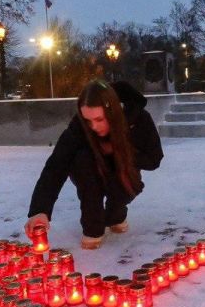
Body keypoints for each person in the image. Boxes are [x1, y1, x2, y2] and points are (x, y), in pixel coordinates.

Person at [25, 79, 163, 250]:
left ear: (112, 111)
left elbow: (154, 159)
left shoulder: (139, 119)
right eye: (88, 120)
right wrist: (40, 210)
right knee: (81, 160)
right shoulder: (80, 126)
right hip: (91, 172)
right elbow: (56, 166)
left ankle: (116, 213)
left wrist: (120, 151)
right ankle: (93, 226)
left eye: (99, 119)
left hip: (124, 173)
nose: (94, 127)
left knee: (119, 199)